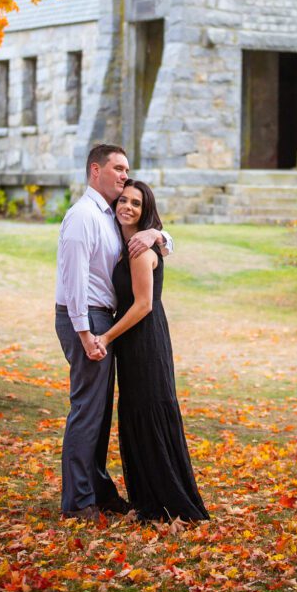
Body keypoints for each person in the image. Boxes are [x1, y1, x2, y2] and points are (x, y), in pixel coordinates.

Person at [55, 144, 172, 520]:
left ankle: (100, 491)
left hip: (104, 319)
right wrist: (86, 333)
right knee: (87, 411)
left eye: (126, 170)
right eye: (118, 168)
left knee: (99, 413)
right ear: (95, 170)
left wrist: (158, 236)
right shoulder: (82, 217)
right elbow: (74, 281)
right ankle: (78, 503)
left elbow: (160, 240)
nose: (123, 174)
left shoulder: (109, 214)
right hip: (86, 319)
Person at [95, 179, 209, 523]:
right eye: (124, 200)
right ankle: (147, 499)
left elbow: (143, 304)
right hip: (133, 340)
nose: (127, 207)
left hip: (144, 338)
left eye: (136, 204)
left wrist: (106, 337)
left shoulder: (142, 250)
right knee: (134, 415)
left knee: (149, 413)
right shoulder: (129, 242)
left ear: (146, 213)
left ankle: (170, 502)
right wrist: (159, 234)